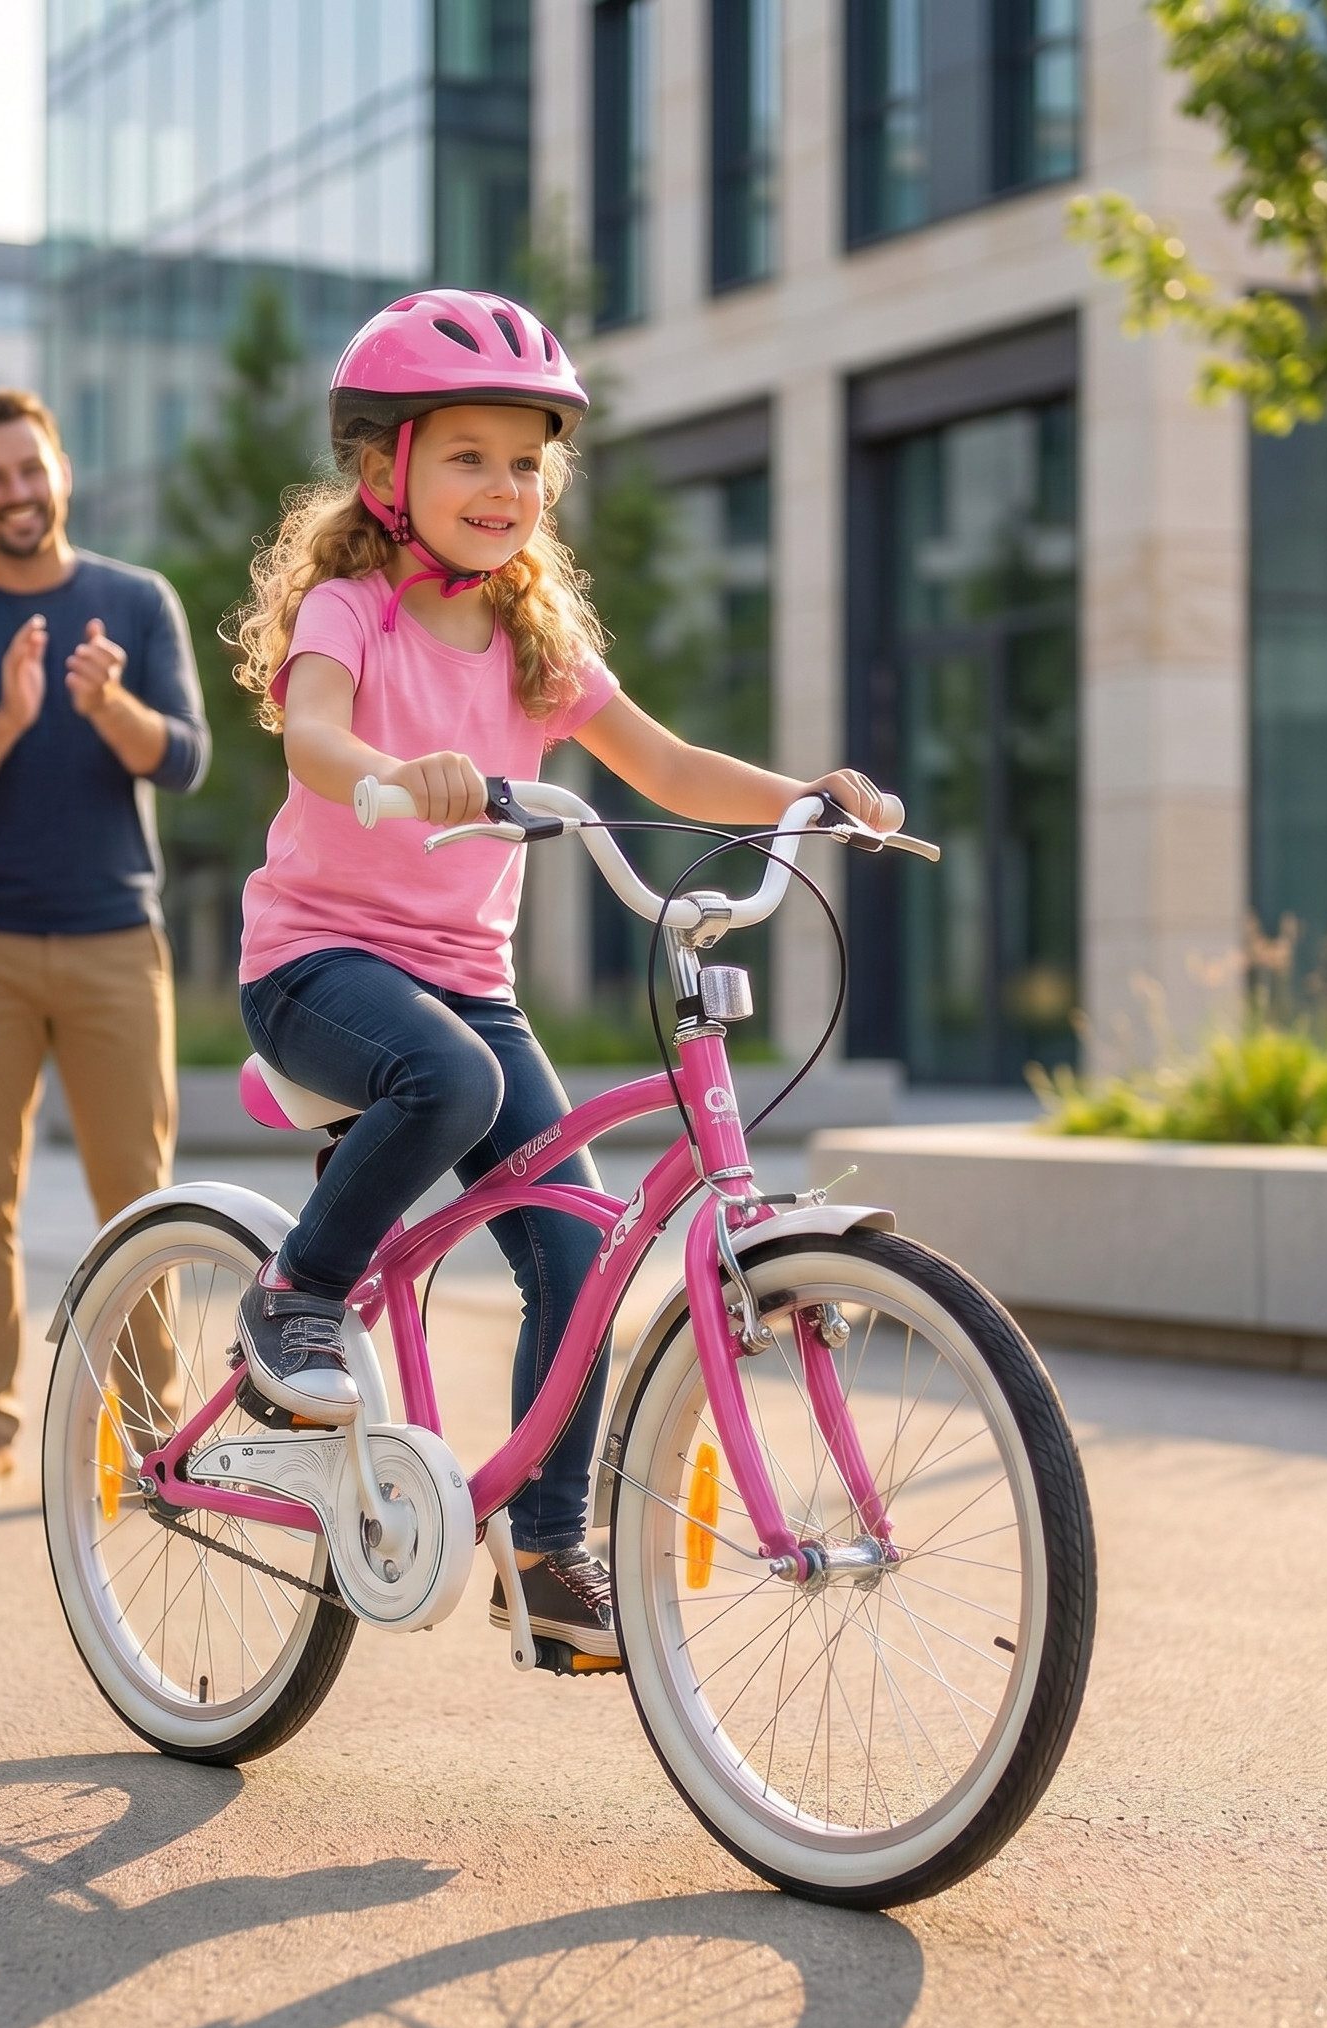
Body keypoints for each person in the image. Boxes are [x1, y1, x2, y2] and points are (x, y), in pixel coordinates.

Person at [229, 289, 896, 1662]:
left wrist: (805, 799)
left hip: (468, 982)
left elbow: (665, 767)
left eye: (527, 460)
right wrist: (392, 777)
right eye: (467, 454)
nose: (503, 485)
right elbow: (310, 736)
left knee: (580, 1250)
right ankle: (295, 1294)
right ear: (385, 470)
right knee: (451, 1080)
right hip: (316, 966)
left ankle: (544, 1550)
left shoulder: (536, 641)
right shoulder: (355, 610)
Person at [0, 390, 210, 1503]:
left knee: (140, 1194)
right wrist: (14, 710)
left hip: (113, 937)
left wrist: (107, 705)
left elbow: (181, 758)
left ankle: (151, 1436)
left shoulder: (134, 598)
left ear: (60, 469)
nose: (15, 492)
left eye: (29, 469)